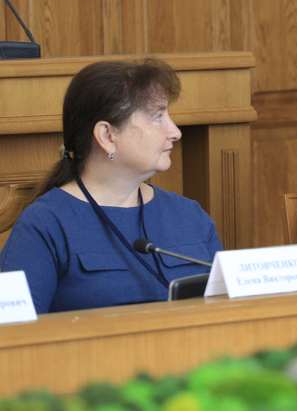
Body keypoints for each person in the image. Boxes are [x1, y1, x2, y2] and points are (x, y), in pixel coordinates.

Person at [0, 58, 223, 313]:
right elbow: (12, 331)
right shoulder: (43, 224)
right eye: (158, 117)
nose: (175, 132)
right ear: (107, 136)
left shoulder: (189, 215)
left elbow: (230, 310)